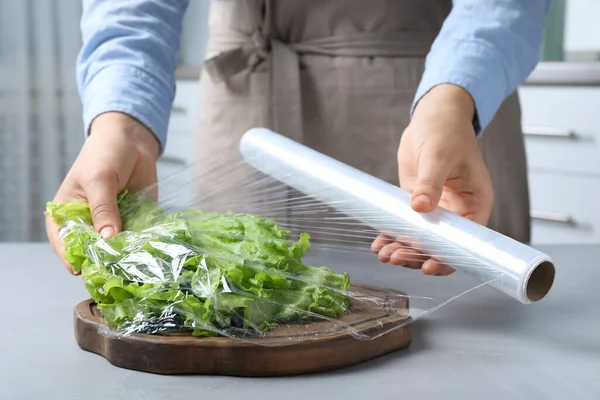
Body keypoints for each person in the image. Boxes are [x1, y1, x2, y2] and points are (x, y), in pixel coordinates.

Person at [47, 0, 550, 276]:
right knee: (235, 312)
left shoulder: (449, 102)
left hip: (442, 98)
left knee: (467, 351)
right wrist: (123, 123)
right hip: (249, 98)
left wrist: (451, 99)